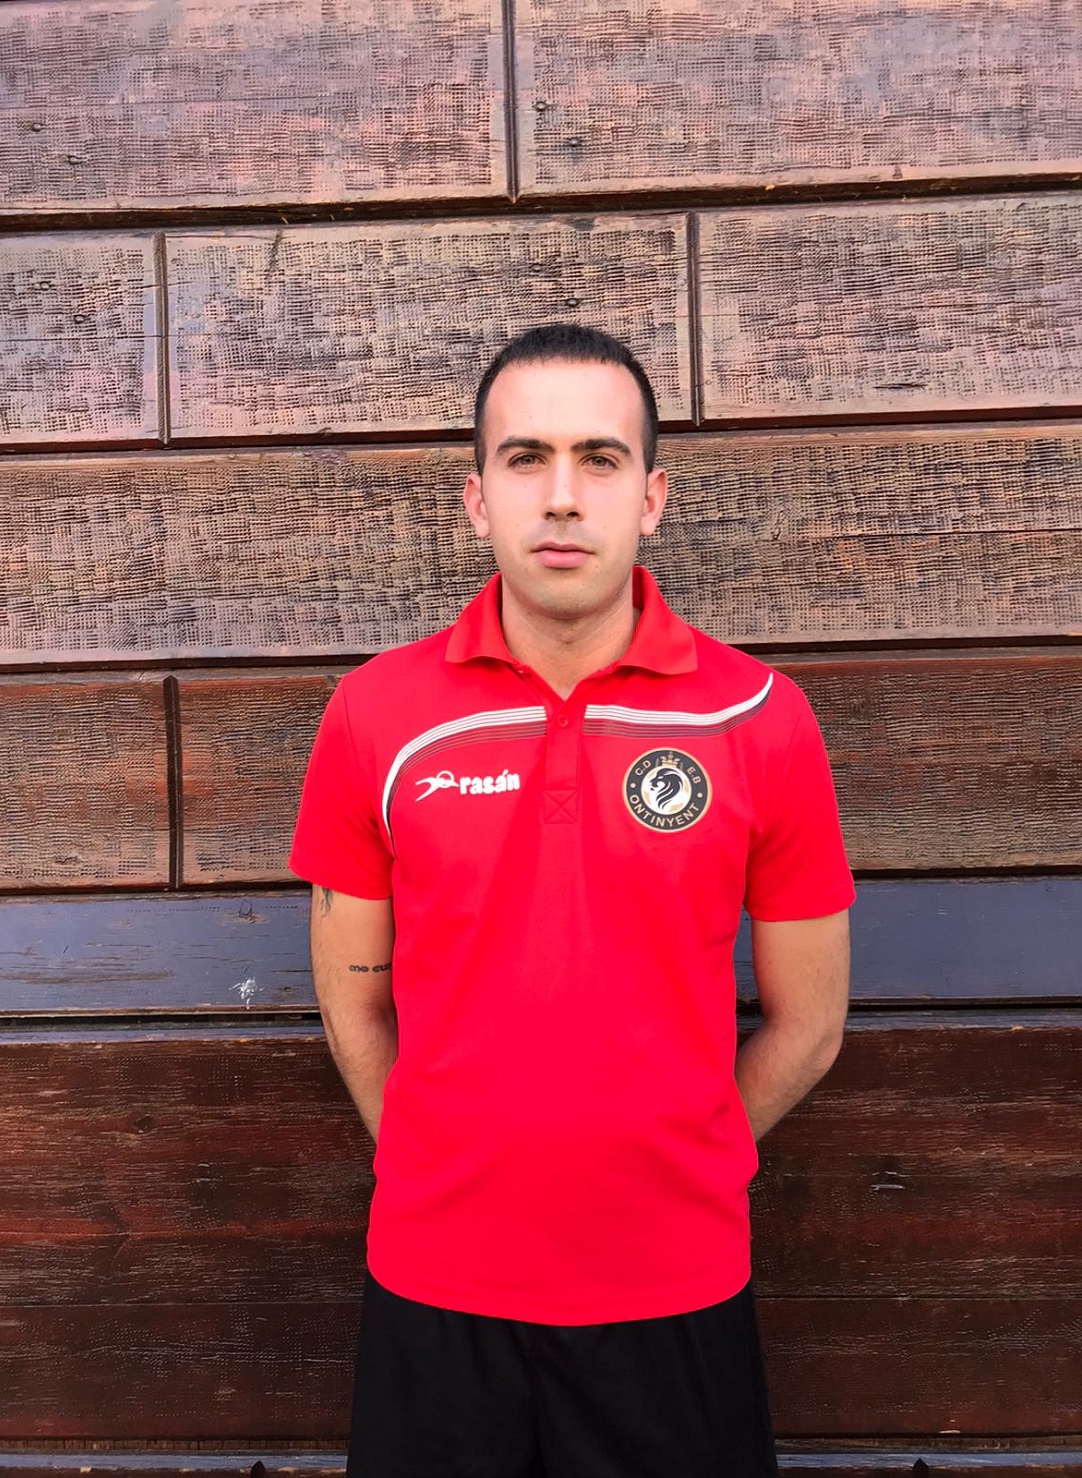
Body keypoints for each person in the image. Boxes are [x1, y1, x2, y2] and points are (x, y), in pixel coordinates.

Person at [289, 322, 854, 1476]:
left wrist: (678, 1161)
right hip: (436, 1294)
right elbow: (354, 1002)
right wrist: (442, 1164)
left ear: (650, 498)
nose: (560, 495)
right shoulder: (373, 715)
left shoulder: (759, 718)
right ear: (476, 499)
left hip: (675, 1293)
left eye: (598, 458)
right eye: (524, 457)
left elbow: (810, 1022)